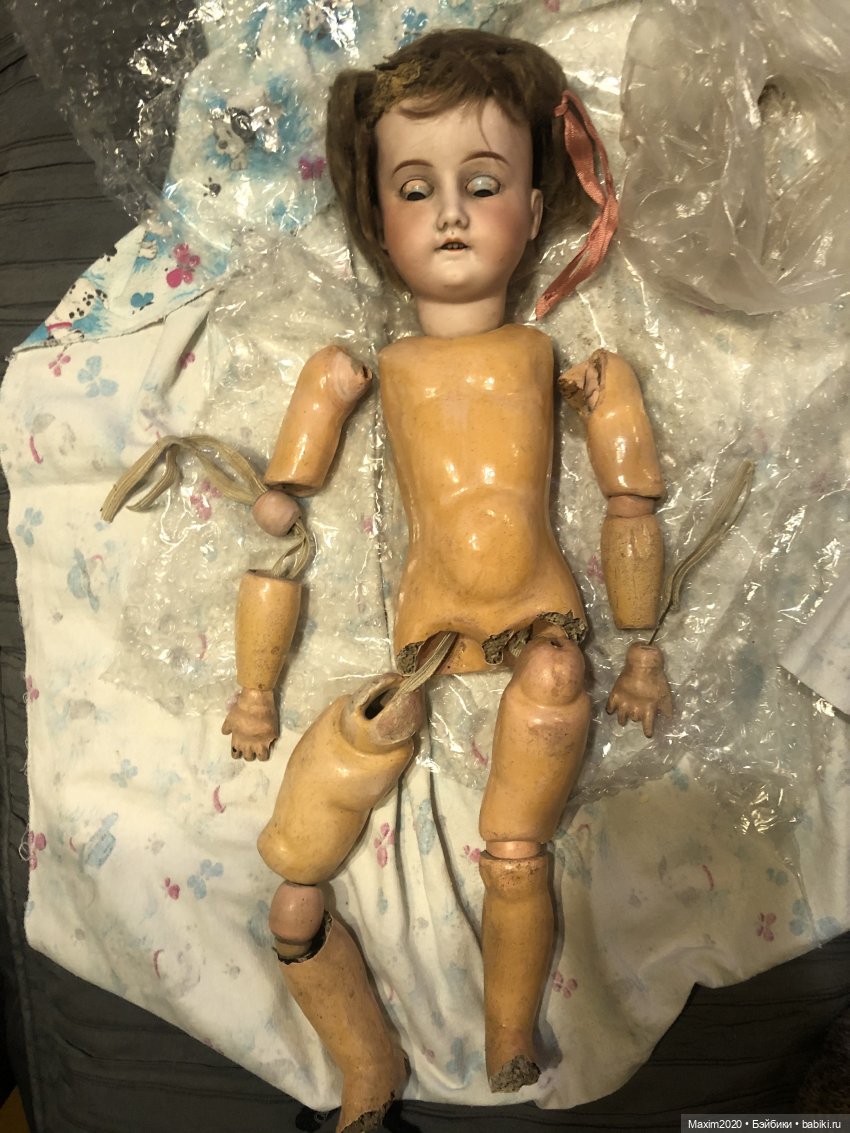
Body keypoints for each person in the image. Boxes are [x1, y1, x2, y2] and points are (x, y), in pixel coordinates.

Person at [220, 28, 673, 1133]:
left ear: (537, 205)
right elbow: (286, 501)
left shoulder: (552, 359)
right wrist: (285, 485)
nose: (454, 215)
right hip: (424, 631)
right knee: (347, 769)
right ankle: (362, 1061)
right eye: (417, 190)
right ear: (378, 222)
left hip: (537, 613)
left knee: (546, 721)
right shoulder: (370, 364)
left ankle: (509, 1030)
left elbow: (629, 502)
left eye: (485, 183)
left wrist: (641, 643)